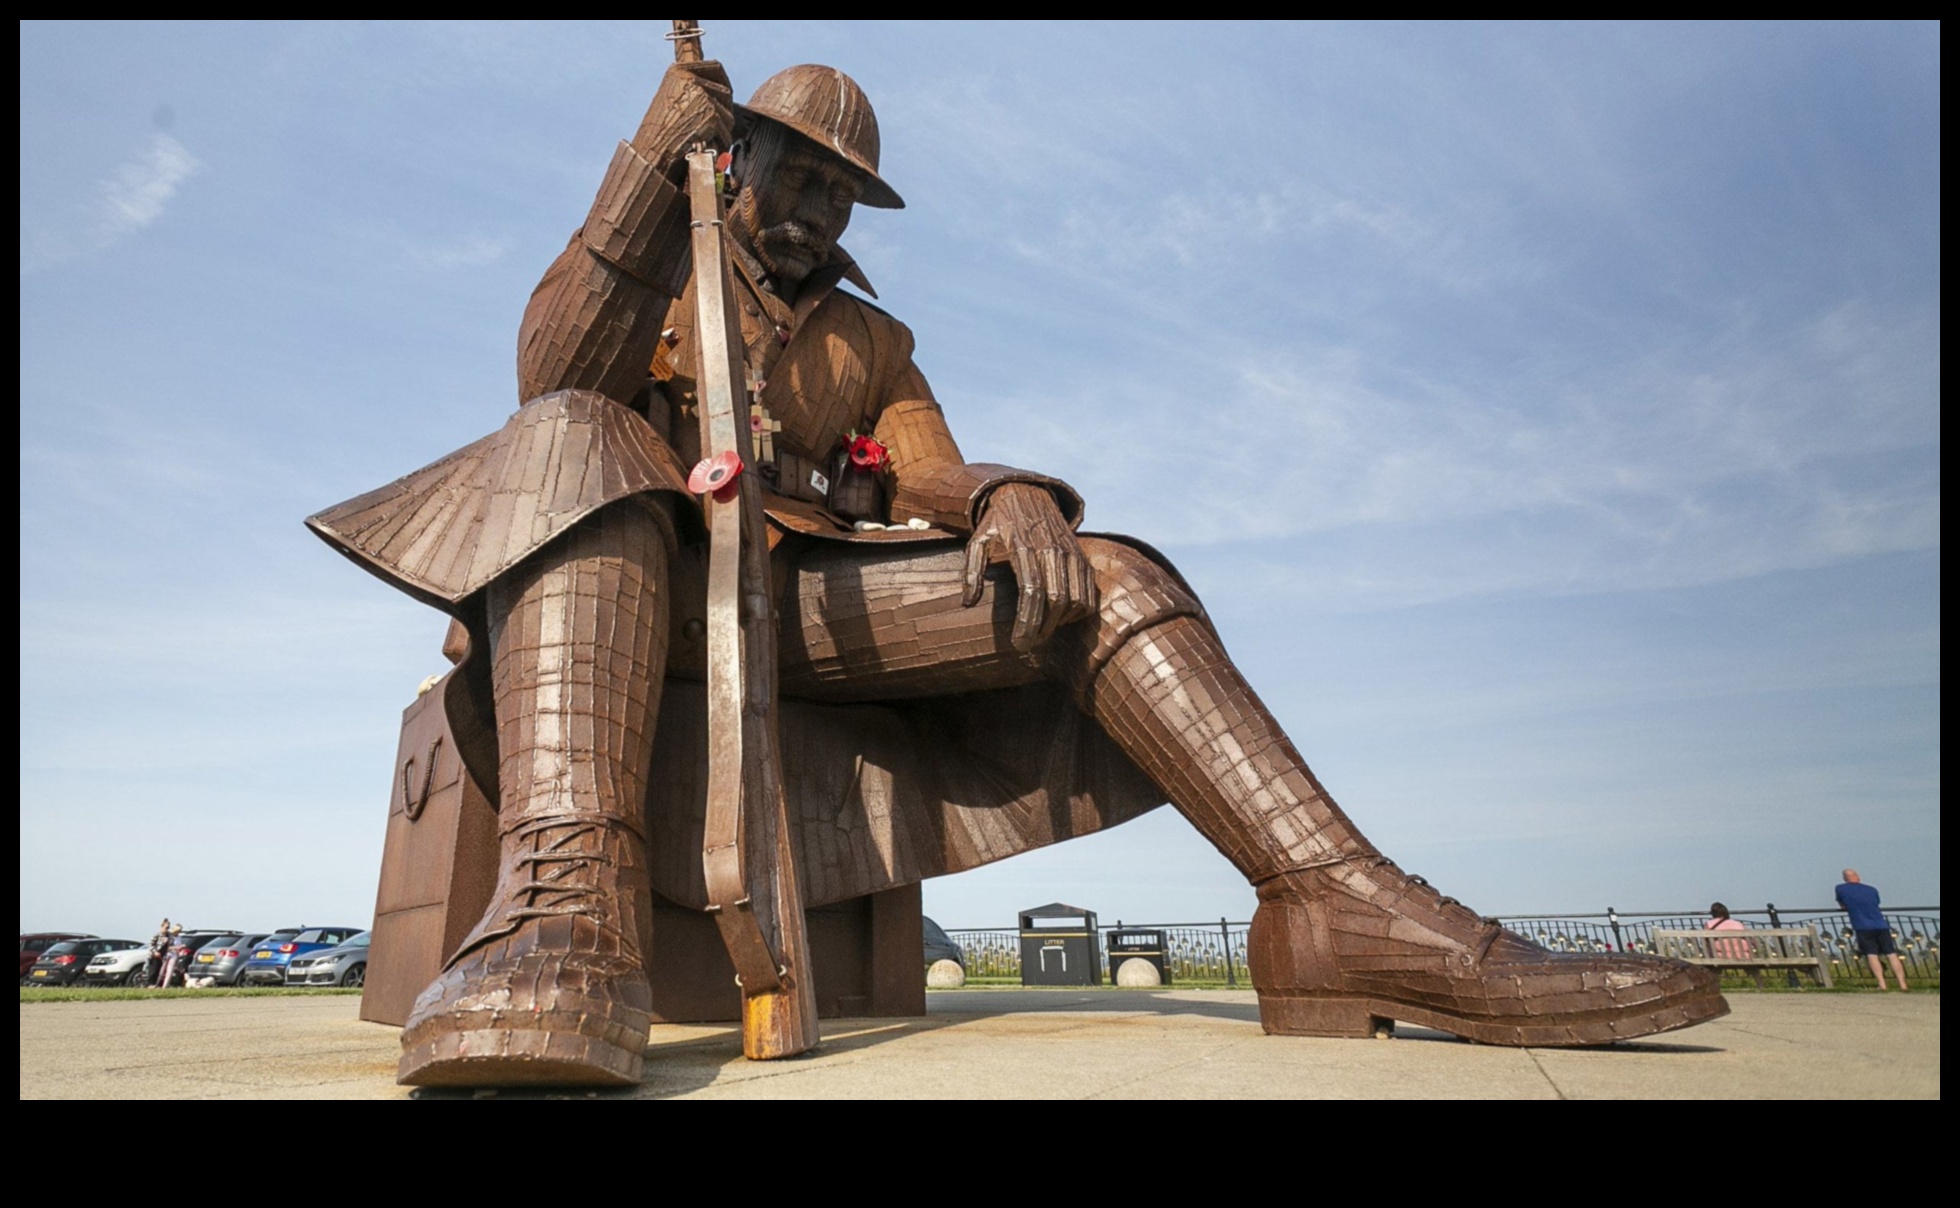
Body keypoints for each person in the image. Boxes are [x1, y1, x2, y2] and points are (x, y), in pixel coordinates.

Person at [309, 54, 1727, 1087]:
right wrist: (636, 176)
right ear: (733, 158)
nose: (813, 208)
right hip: (618, 600)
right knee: (569, 439)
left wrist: (1015, 498)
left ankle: (1337, 904)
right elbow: (549, 373)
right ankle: (566, 917)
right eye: (793, 171)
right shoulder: (661, 255)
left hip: (800, 608)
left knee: (1105, 573)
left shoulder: (874, 342)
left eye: (840, 194)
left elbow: (928, 467)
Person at [1834, 869, 1908, 990]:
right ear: (1858, 877)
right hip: (1881, 924)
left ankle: (1882, 984)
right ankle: (1902, 984)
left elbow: (1843, 905)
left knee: (1872, 955)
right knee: (1891, 954)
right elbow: (1876, 903)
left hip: (1862, 925)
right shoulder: (1871, 889)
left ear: (1844, 878)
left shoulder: (1841, 888)